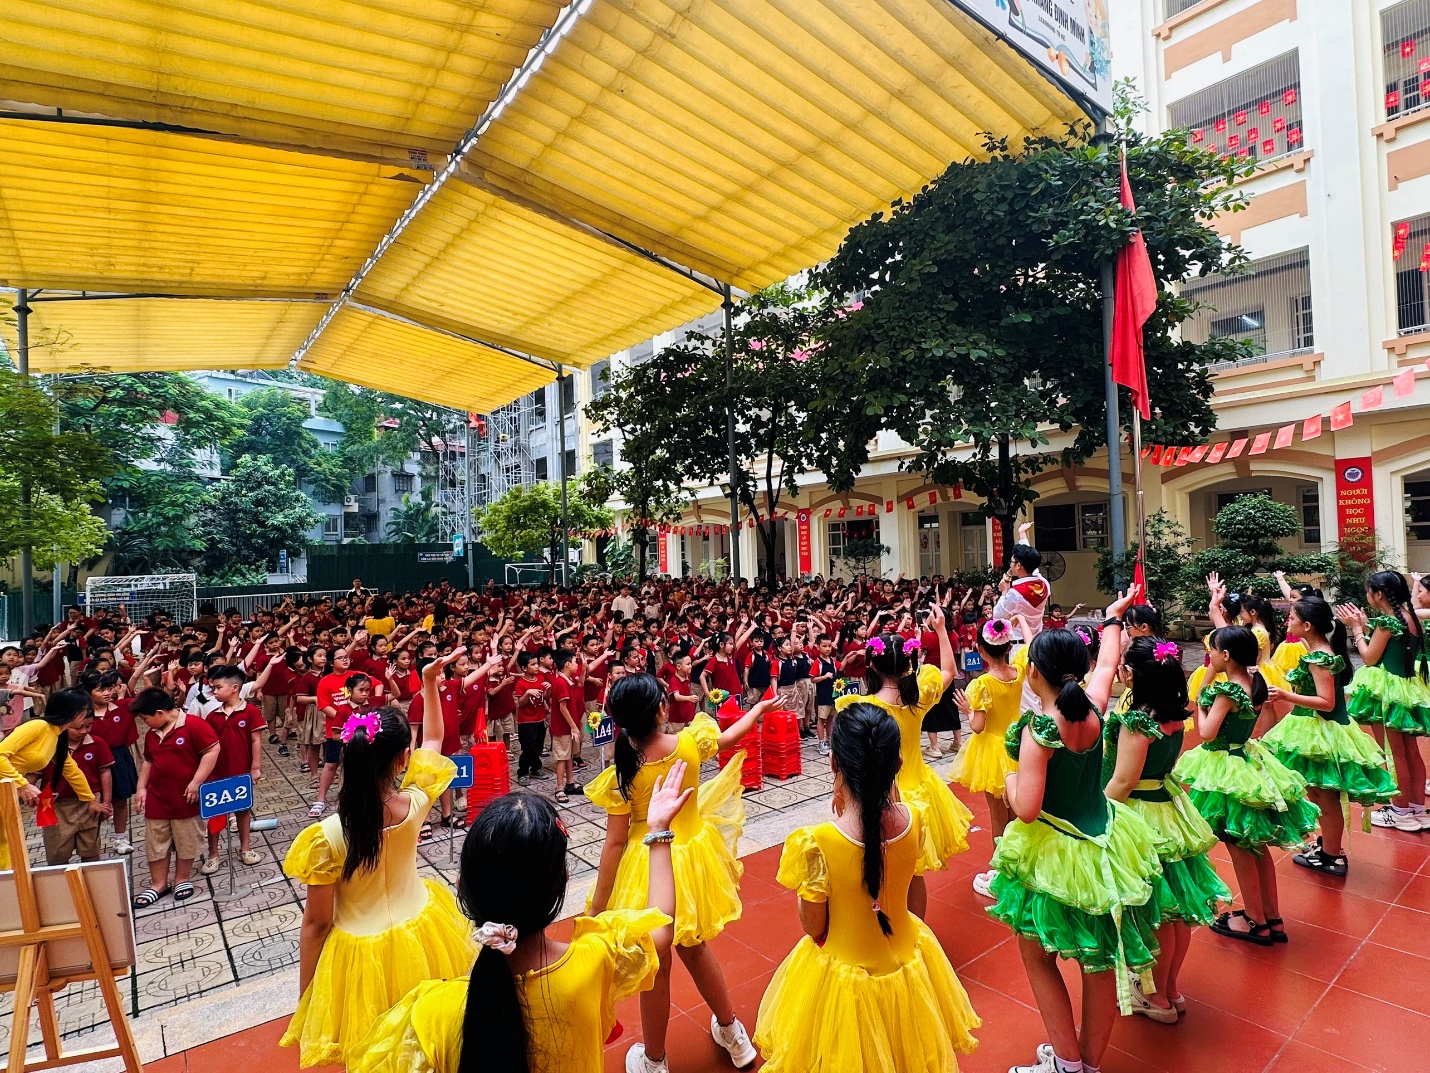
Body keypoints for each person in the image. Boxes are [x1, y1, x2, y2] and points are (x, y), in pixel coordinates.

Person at [352, 769, 690, 1073]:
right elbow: (661, 927)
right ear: (562, 884)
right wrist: (658, 832)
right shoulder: (594, 960)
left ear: (462, 887)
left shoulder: (429, 1016)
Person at [989, 590, 1164, 1073]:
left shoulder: (1038, 729)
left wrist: (1007, 781)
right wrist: (1112, 617)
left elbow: (1026, 809)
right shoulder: (1095, 706)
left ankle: (1066, 1062)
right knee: (1099, 961)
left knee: (1037, 953)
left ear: (1033, 673)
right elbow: (1108, 662)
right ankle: (1085, 1063)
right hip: (1106, 843)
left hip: (1056, 849)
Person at [753, 702, 981, 1073]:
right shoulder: (917, 817)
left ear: (834, 765)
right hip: (909, 964)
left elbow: (814, 927)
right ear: (899, 764)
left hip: (847, 981)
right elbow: (912, 895)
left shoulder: (817, 842)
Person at [279, 648, 477, 1068]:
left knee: (370, 1048)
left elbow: (316, 924)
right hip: (422, 928)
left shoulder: (326, 837)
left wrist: (308, 1000)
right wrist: (428, 684)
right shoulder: (418, 801)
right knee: (426, 1036)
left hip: (358, 951)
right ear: (403, 758)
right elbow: (436, 740)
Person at [585, 675, 775, 1073]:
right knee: (697, 948)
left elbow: (615, 845)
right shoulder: (689, 743)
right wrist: (757, 710)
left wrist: (599, 906)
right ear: (661, 710)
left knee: (657, 965)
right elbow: (727, 737)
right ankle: (732, 1032)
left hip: (647, 865)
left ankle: (655, 1060)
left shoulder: (622, 772)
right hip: (690, 858)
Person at [1103, 637, 1231, 1024]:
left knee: (1156, 913)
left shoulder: (1137, 723)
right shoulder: (1175, 715)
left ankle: (1155, 998)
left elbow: (1123, 782)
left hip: (1139, 814)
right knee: (1176, 912)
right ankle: (1170, 989)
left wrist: (1096, 814)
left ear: (1133, 674)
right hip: (1168, 809)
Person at [1174, 627, 1318, 946]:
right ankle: (1271, 915)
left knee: (1239, 846)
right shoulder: (1254, 682)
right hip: (1247, 760)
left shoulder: (1226, 694)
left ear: (1226, 656)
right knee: (1257, 846)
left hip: (1228, 771)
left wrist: (1199, 702)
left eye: (1213, 651)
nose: (1208, 656)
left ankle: (1254, 920)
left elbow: (1208, 733)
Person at [834, 602, 971, 917]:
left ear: (872, 666)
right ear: (910, 665)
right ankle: (915, 931)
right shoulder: (918, 698)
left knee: (875, 864)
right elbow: (949, 671)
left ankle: (878, 926)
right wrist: (940, 630)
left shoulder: (860, 706)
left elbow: (844, 757)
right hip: (918, 792)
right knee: (914, 872)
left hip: (876, 793)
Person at [1261, 596, 1398, 875]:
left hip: (1321, 731)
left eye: (1293, 618)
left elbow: (1327, 702)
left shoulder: (1320, 657)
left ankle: (1332, 855)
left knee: (1325, 797)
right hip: (1312, 729)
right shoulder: (1316, 650)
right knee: (1317, 791)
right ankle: (1329, 845)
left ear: (1308, 625)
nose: (1289, 622)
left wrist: (1287, 695)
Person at [1342, 571, 1430, 831]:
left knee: (1394, 754)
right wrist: (1367, 625)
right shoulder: (1410, 617)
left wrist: (1357, 630)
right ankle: (1416, 808)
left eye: (1369, 591)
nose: (1367, 595)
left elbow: (1369, 658)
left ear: (1378, 594)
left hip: (1388, 692)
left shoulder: (1387, 622)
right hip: (1406, 688)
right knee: (1411, 752)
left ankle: (1400, 811)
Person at [952, 617, 1025, 898]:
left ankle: (1000, 871)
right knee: (1017, 811)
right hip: (1016, 745)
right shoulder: (1017, 673)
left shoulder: (982, 683)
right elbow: (1029, 646)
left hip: (993, 753)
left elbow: (978, 726)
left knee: (998, 816)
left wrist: (968, 710)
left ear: (981, 650)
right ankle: (1018, 864)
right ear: (1007, 646)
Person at [131, 687, 222, 908]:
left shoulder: (194, 725)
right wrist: (141, 788)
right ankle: (158, 884)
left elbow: (212, 750)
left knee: (186, 839)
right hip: (158, 798)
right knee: (156, 842)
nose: (145, 724)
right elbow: (149, 762)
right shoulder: (153, 735)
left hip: (187, 797)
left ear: (160, 713)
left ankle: (182, 878)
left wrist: (196, 782)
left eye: (145, 718)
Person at [0, 688, 102, 868]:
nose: (87, 715)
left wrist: (89, 799)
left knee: (6, 841)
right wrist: (23, 785)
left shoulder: (56, 735)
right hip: (8, 788)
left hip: (6, 794)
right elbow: (1, 754)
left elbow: (72, 771)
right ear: (71, 710)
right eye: (85, 710)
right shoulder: (38, 726)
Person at [42, 694, 115, 866]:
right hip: (55, 804)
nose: (83, 732)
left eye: (88, 726)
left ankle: (92, 886)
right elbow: (34, 774)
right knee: (57, 852)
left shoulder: (97, 744)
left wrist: (106, 801)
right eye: (77, 728)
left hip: (90, 803)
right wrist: (33, 794)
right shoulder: (47, 746)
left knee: (91, 849)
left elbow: (105, 772)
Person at [83, 668, 139, 855]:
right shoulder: (83, 714)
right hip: (91, 760)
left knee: (121, 799)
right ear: (89, 693)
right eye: (100, 690)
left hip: (119, 757)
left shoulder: (124, 706)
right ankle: (91, 841)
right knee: (93, 801)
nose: (107, 693)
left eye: (109, 689)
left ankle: (120, 838)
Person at [549, 648, 582, 802]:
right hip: (563, 727)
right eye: (576, 662)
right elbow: (563, 708)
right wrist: (574, 726)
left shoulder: (568, 681)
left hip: (569, 726)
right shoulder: (561, 683)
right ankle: (559, 787)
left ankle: (570, 783)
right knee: (562, 756)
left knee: (569, 755)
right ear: (567, 664)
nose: (578, 665)